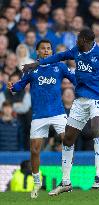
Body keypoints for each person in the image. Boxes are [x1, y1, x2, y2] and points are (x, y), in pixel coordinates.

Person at [22, 28, 99, 195]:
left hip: (98, 97)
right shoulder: (76, 51)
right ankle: (66, 182)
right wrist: (37, 63)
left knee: (96, 129)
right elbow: (59, 56)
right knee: (68, 139)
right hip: (80, 100)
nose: (76, 41)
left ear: (86, 40)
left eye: (79, 38)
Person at [8, 39, 76, 199]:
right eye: (43, 49)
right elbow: (19, 85)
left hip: (58, 113)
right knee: (35, 150)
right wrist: (12, 87)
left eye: (49, 49)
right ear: (37, 52)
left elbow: (75, 80)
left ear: (52, 52)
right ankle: (37, 181)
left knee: (67, 141)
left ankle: (66, 180)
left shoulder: (60, 66)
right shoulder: (32, 70)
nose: (46, 51)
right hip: (39, 115)